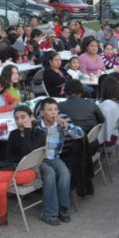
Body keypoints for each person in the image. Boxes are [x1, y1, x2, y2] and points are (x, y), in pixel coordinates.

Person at [34, 97, 78, 226]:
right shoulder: (35, 124)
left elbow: (80, 134)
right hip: (38, 160)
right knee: (49, 175)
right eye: (49, 110)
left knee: (65, 173)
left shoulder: (60, 125)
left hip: (54, 157)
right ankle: (49, 212)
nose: (53, 113)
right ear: (42, 112)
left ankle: (63, 207)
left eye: (55, 110)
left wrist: (67, 126)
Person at [58, 79, 105, 198]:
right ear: (81, 91)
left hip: (70, 148)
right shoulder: (91, 103)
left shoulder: (60, 106)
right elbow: (102, 120)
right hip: (91, 144)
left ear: (66, 92)